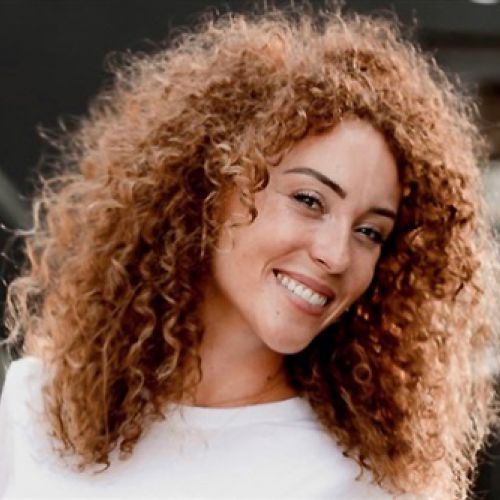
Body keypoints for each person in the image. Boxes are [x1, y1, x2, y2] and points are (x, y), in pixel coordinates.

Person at [1, 7, 499, 499]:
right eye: (309, 201)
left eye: (370, 232)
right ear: (211, 187)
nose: (336, 255)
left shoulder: (356, 483)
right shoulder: (35, 407)